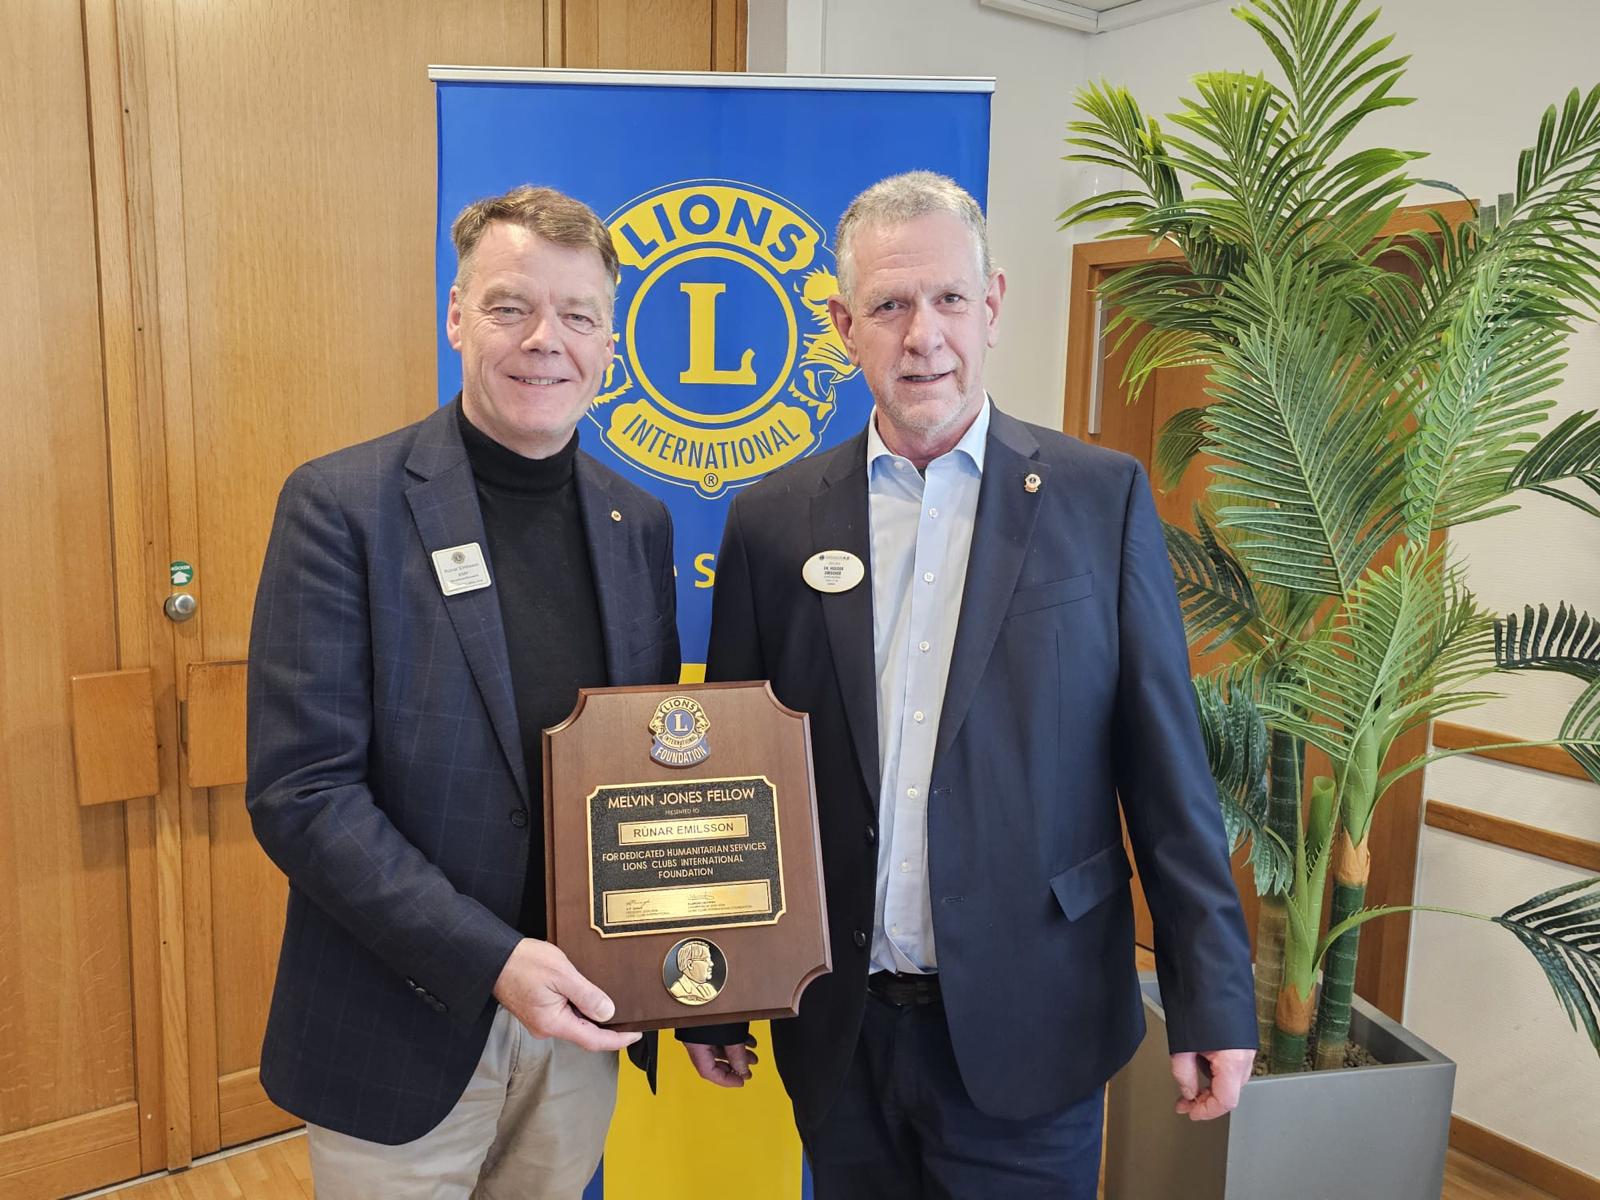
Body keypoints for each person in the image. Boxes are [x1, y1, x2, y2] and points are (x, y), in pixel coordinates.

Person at [680, 171, 1256, 1199]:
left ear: (991, 305)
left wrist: (1209, 994)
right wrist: (715, 988)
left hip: (1037, 1021)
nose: (923, 336)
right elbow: (732, 782)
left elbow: (1167, 772)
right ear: (842, 326)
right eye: (889, 306)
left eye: (948, 298)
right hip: (840, 1030)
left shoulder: (1101, 500)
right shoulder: (772, 519)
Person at [247, 184, 679, 1199]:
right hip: (394, 1028)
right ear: (456, 316)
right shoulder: (341, 507)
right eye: (508, 306)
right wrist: (494, 959)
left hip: (580, 1023)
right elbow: (303, 794)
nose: (544, 341)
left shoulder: (638, 525)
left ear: (609, 344)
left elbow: (648, 779)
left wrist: (696, 977)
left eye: (577, 316)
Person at [667, 940, 720, 1005]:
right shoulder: (677, 990)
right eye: (705, 960)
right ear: (690, 965)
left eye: (710, 960)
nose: (711, 964)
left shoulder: (710, 989)